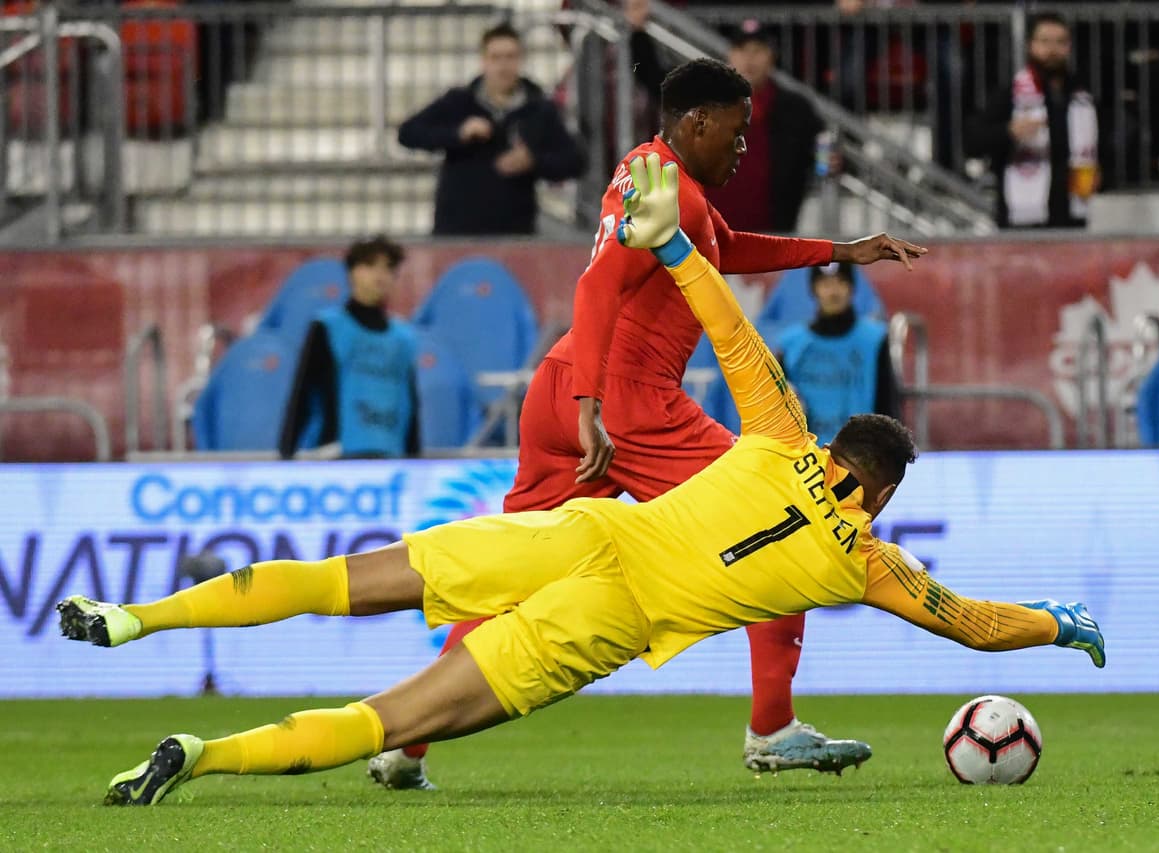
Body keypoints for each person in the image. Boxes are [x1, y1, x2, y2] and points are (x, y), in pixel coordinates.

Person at [57, 153, 1105, 806]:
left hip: (577, 534)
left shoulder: (780, 435)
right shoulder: (864, 562)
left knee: (342, 576)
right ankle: (197, 755)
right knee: (386, 716)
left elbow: (734, 336)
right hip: (602, 621)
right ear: (878, 492)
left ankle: (134, 618)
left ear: (833, 455)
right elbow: (970, 622)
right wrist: (1056, 622)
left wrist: (674, 250)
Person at [372, 57, 928, 790]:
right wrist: (595, 407)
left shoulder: (657, 177)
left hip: (562, 382)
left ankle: (402, 740)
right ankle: (772, 727)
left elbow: (723, 250)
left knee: (511, 578)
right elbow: (597, 283)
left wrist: (839, 251)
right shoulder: (669, 189)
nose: (741, 148)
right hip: (627, 400)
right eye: (735, 133)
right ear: (697, 122)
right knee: (788, 516)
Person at [397, 22, 585, 235]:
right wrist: (458, 133)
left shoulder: (538, 110)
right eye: (496, 58)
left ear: (520, 60)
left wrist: (533, 161)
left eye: (510, 57)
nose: (503, 66)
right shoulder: (460, 102)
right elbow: (407, 133)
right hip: (457, 231)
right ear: (483, 61)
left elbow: (574, 161)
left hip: (515, 232)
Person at [278, 236, 419, 460]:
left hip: (391, 456)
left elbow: (410, 404)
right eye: (370, 265)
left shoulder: (404, 337)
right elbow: (301, 393)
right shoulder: (327, 326)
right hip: (337, 457)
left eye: (389, 268)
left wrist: (415, 460)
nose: (380, 275)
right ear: (352, 271)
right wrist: (285, 453)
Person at [964, 12, 1099, 229]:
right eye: (1045, 41)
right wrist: (1008, 132)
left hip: (1072, 217)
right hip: (1021, 222)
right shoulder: (1010, 95)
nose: (1052, 50)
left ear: (1069, 47)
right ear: (1030, 45)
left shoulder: (1083, 98)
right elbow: (972, 141)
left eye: (1060, 42)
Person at [704, 22, 822, 233]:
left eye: (758, 51)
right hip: (710, 239)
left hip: (772, 240)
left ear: (771, 57)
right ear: (730, 56)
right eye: (742, 50)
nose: (750, 59)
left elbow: (824, 152)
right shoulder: (703, 104)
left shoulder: (796, 109)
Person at [776, 262, 901, 445]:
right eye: (825, 284)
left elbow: (887, 403)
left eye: (840, 282)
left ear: (851, 287)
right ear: (814, 289)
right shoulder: (791, 344)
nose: (833, 292)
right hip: (806, 456)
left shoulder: (873, 339)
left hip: (860, 455)